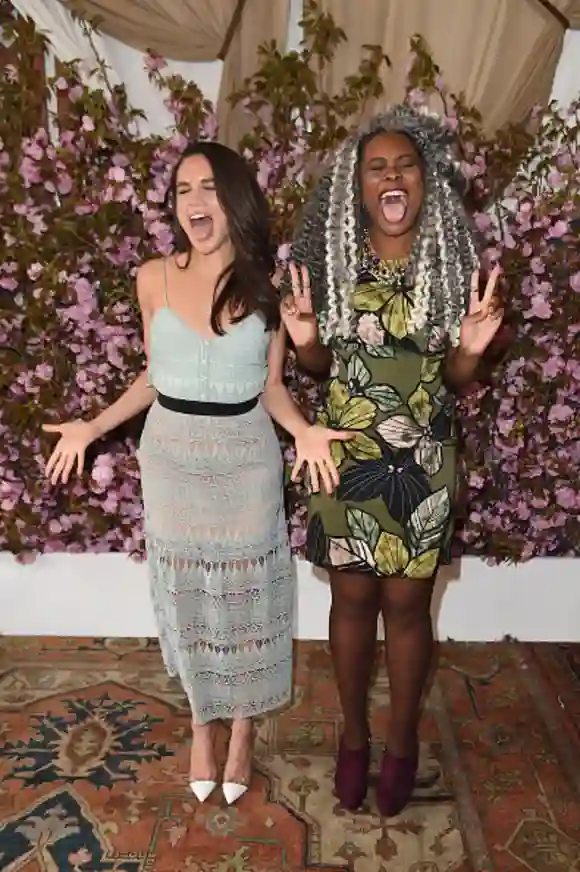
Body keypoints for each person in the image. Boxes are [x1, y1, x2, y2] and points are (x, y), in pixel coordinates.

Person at [42, 141, 351, 806]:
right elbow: (155, 376)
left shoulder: (267, 285)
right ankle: (201, 723)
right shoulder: (152, 277)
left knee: (246, 606)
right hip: (172, 458)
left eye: (208, 187)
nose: (193, 202)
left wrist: (302, 430)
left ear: (233, 198)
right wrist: (91, 427)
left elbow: (270, 387)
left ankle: (241, 728)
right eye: (182, 189)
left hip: (244, 456)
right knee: (187, 605)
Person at [281, 105, 503, 817]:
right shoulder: (331, 262)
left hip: (424, 456)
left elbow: (460, 378)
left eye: (403, 163)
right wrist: (307, 335)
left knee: (407, 606)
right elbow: (316, 366)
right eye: (376, 166)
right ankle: (354, 738)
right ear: (357, 185)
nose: (391, 175)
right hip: (346, 454)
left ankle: (401, 741)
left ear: (426, 177)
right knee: (350, 600)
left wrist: (469, 348)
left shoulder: (455, 264)